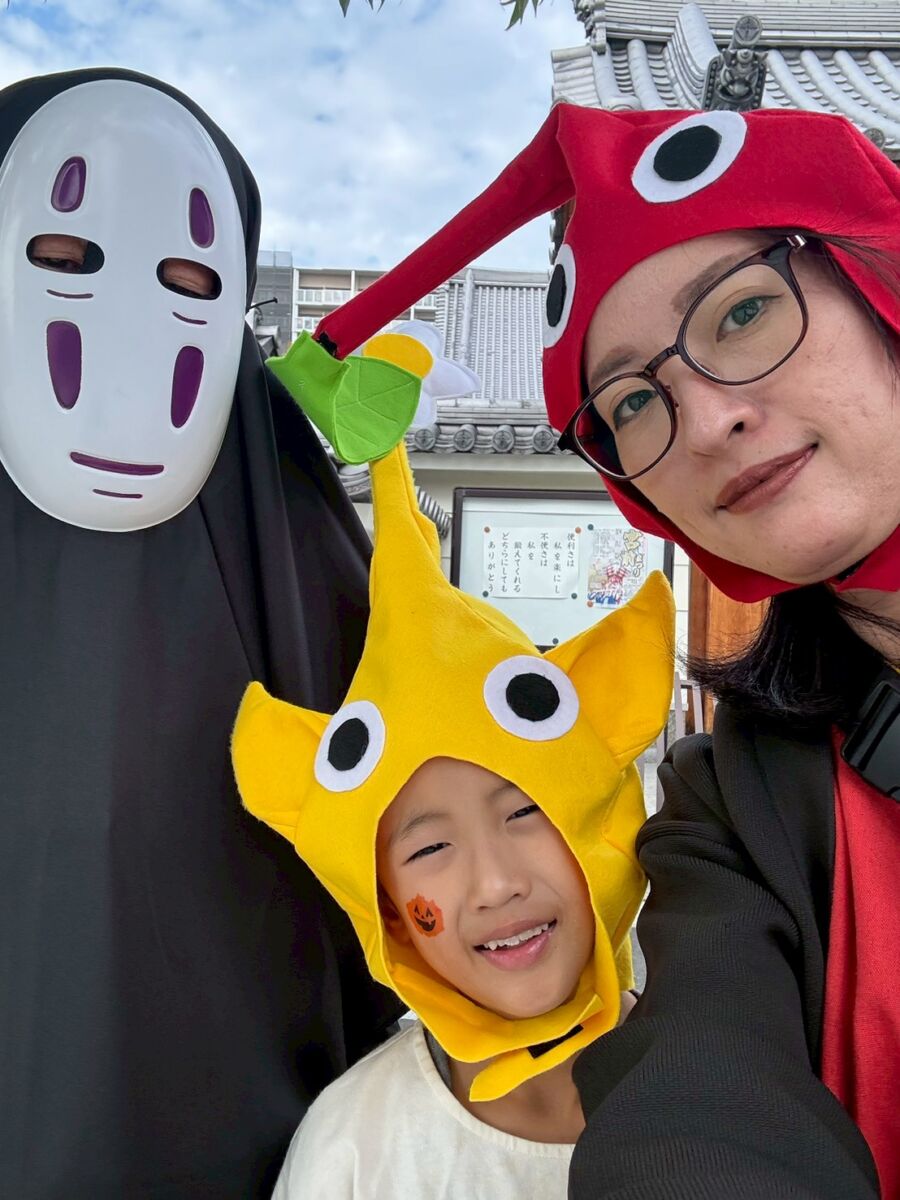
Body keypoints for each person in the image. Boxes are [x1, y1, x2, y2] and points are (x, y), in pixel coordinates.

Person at [284, 104, 900, 1196]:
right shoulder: (738, 810)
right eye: (632, 402)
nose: (704, 422)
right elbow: (700, 1093)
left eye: (743, 311)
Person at [0, 68, 400, 1200]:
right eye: (66, 257)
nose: (128, 321)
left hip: (268, 1147)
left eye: (187, 279)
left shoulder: (292, 531)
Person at [232, 379, 674, 1195]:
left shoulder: (728, 1092)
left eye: (527, 810)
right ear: (390, 907)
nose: (497, 883)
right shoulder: (352, 1149)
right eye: (429, 847)